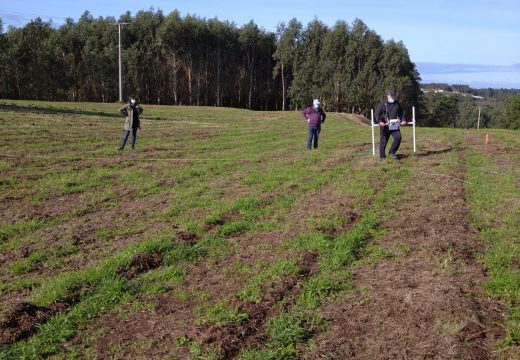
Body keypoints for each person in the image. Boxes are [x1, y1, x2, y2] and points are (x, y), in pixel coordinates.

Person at [374, 89, 406, 159]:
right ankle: (382, 156)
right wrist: (380, 121)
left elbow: (401, 113)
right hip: (385, 126)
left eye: (394, 97)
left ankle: (392, 152)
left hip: (394, 124)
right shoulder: (383, 104)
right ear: (388, 96)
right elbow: (377, 113)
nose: (393, 98)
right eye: (392, 97)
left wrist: (403, 120)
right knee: (383, 141)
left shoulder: (397, 103)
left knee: (398, 138)